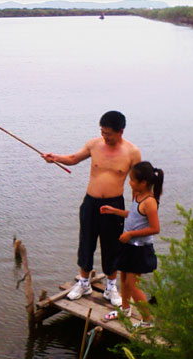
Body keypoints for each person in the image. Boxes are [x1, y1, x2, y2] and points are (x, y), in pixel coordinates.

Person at [42, 111, 141, 305]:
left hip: (113, 205)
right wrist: (55, 158)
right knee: (86, 242)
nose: (104, 136)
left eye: (108, 133)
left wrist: (137, 211)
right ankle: (84, 283)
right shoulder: (94, 144)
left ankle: (111, 287)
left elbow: (137, 183)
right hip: (91, 203)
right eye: (102, 132)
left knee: (112, 246)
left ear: (120, 131)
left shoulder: (132, 152)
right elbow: (73, 158)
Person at [100, 161, 164, 328]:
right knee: (123, 277)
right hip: (129, 246)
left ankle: (147, 321)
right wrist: (114, 211)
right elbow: (134, 215)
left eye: (132, 180)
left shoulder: (150, 202)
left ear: (143, 183)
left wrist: (130, 234)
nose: (129, 183)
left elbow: (155, 228)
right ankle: (125, 309)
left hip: (140, 250)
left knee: (132, 285)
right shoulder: (137, 195)